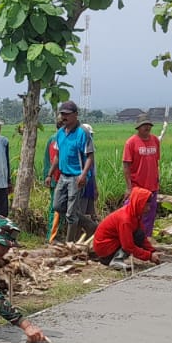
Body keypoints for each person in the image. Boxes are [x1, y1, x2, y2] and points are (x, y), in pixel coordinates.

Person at [47, 100, 95, 242]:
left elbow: (90, 156)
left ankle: (69, 244)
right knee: (57, 205)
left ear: (75, 115)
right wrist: (50, 174)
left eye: (67, 114)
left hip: (76, 176)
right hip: (63, 175)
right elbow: (57, 155)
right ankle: (89, 224)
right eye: (62, 114)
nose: (64, 117)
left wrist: (84, 175)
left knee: (71, 214)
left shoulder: (83, 133)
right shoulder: (61, 133)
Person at [92, 186, 163, 270]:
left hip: (112, 245)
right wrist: (149, 256)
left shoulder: (135, 214)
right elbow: (128, 246)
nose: (148, 209)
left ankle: (117, 258)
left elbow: (142, 237)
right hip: (105, 251)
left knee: (139, 235)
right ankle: (116, 260)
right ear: (139, 204)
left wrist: (152, 251)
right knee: (135, 238)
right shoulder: (125, 220)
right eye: (146, 206)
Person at [122, 117, 163, 235]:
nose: (147, 127)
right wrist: (129, 187)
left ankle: (146, 238)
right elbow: (126, 165)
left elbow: (156, 162)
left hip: (152, 186)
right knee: (132, 213)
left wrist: (157, 180)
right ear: (138, 127)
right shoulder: (131, 142)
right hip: (137, 186)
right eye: (144, 125)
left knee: (150, 214)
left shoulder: (155, 140)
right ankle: (128, 237)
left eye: (149, 125)